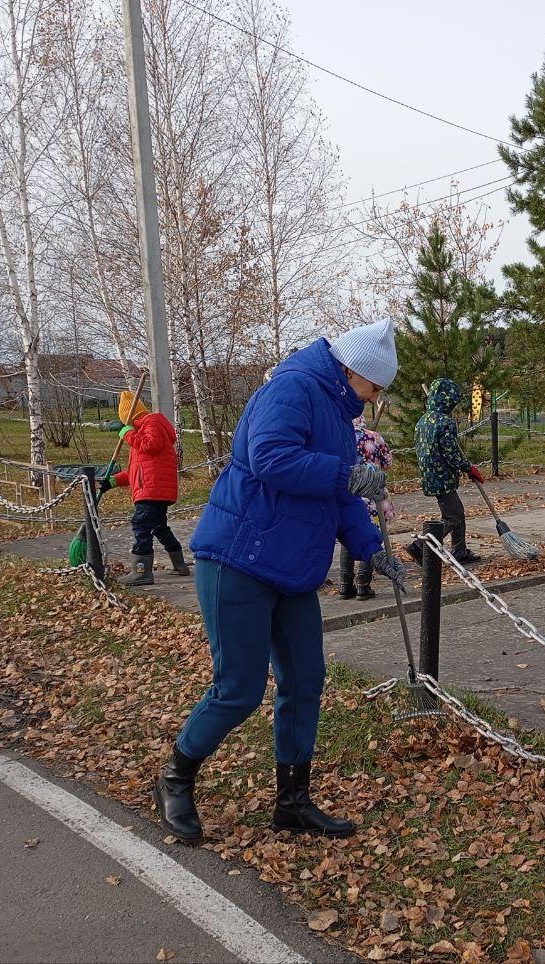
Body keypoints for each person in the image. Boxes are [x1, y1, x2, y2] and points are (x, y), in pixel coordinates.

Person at [153, 318, 408, 843]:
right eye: (376, 384)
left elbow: (338, 499)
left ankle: (292, 801)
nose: (378, 396)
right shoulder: (292, 387)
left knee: (305, 681)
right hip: (238, 561)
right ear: (352, 369)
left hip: (292, 570)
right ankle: (175, 777)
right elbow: (270, 458)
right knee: (239, 689)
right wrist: (345, 473)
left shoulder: (339, 413)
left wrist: (373, 549)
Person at [100, 390, 187, 587]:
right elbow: (136, 472)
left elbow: (151, 445)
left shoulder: (151, 422)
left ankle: (141, 572)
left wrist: (127, 433)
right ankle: (179, 565)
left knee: (141, 525)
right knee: (158, 527)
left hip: (153, 489)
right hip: (152, 488)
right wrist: (112, 482)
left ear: (128, 417)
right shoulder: (142, 430)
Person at [407, 377, 484, 566]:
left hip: (429, 474)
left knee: (457, 512)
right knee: (453, 517)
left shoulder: (423, 420)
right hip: (443, 476)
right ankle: (419, 546)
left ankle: (459, 550)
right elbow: (451, 452)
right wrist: (468, 468)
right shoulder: (444, 422)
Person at [338, 416, 393, 601]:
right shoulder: (374, 437)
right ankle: (363, 584)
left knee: (348, 537)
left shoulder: (340, 436)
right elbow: (387, 463)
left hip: (349, 492)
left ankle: (345, 584)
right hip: (372, 495)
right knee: (370, 536)